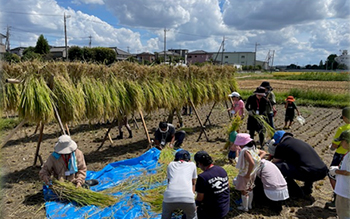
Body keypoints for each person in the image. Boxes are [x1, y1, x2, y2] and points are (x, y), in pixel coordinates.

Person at [271, 130, 328, 197]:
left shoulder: (282, 145)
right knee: (306, 165)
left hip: (309, 173)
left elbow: (275, 162)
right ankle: (307, 188)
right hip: (322, 171)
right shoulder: (299, 142)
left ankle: (296, 191)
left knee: (277, 167)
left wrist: (270, 157)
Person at [233, 133, 266, 212]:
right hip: (253, 173)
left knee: (243, 191)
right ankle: (249, 205)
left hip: (245, 174)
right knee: (250, 189)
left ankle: (245, 208)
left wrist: (247, 174)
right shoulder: (252, 148)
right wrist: (258, 158)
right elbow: (263, 153)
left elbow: (251, 163)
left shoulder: (245, 151)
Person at [326, 107, 350, 208]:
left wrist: (331, 147)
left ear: (345, 117)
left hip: (340, 155)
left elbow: (335, 145)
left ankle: (337, 198)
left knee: (333, 175)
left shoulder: (342, 129)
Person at [162, 150, 197, 219]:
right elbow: (193, 183)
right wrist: (192, 197)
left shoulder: (170, 164)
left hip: (169, 197)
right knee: (192, 216)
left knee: (165, 216)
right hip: (188, 198)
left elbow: (169, 182)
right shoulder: (192, 165)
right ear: (188, 159)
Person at [194, 151, 230, 219]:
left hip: (213, 212)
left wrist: (195, 205)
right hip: (225, 207)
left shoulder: (202, 177)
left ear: (199, 163)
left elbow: (200, 198)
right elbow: (228, 186)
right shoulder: (221, 169)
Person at [329, 130, 350, 219]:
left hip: (345, 192)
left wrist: (335, 171)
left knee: (344, 214)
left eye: (342, 141)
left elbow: (348, 172)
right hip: (345, 191)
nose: (341, 143)